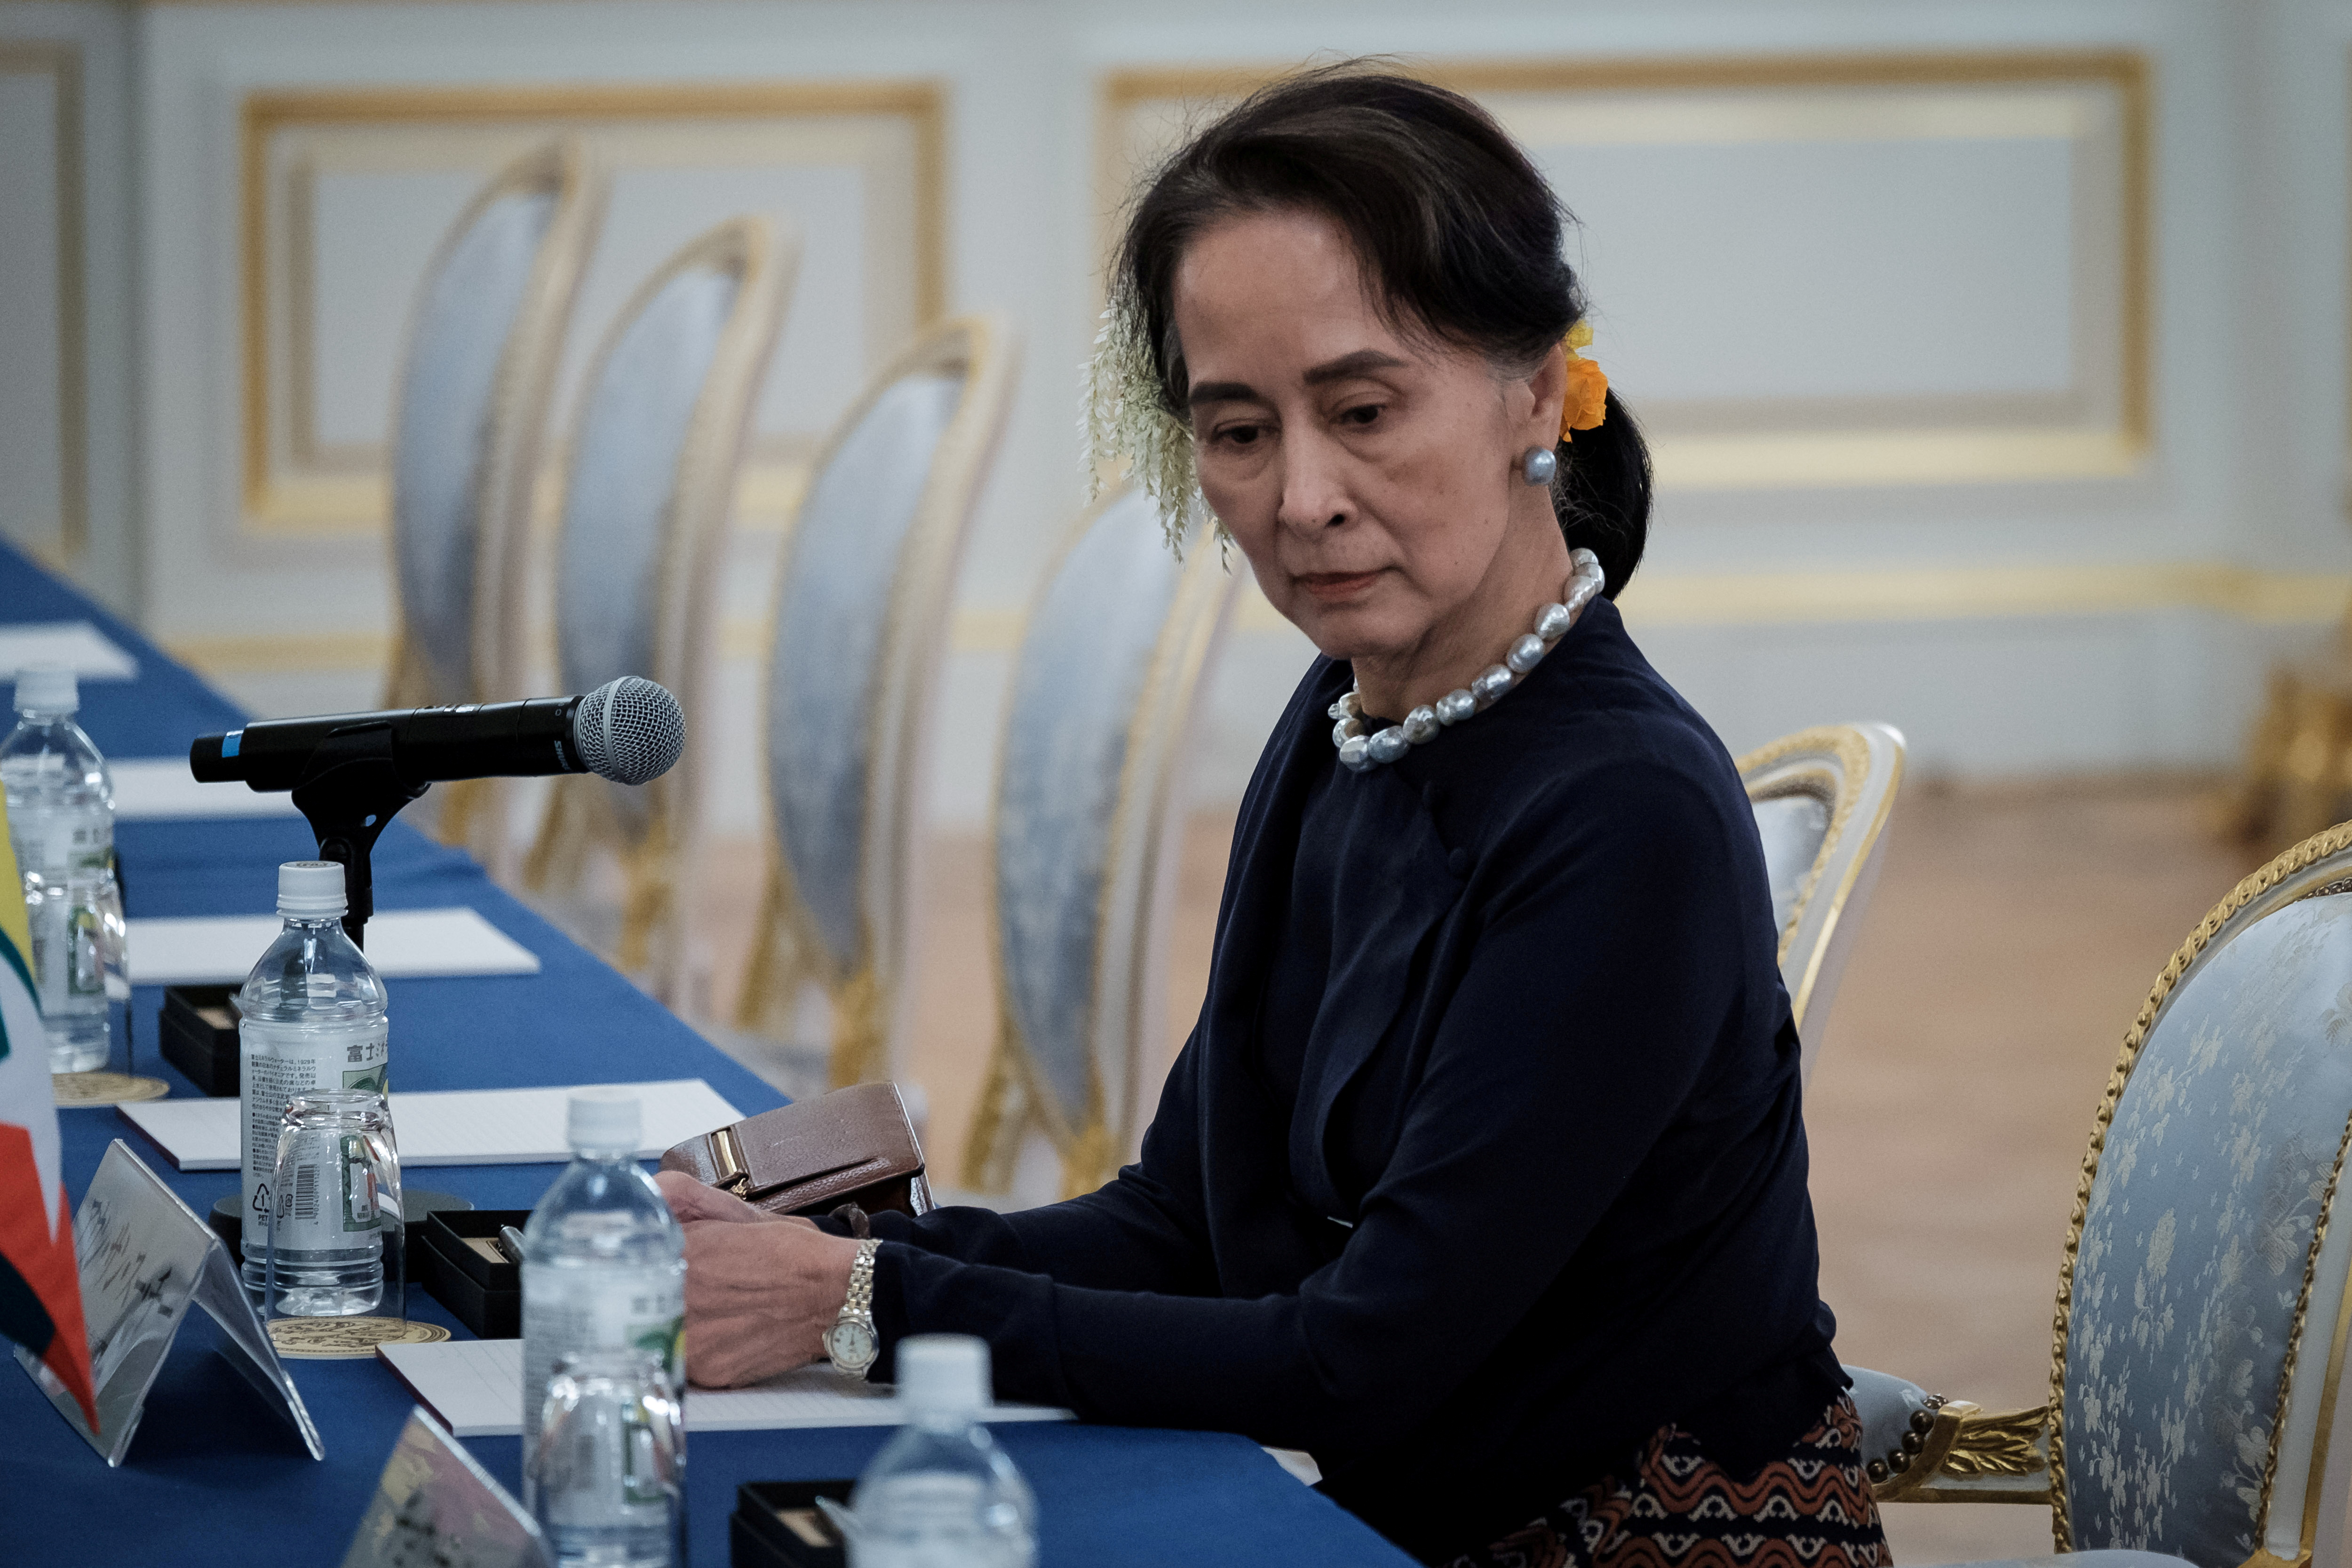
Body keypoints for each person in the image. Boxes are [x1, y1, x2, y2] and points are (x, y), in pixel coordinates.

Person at [657, 64, 1889, 1568]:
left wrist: (863, 1307)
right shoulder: (1343, 718)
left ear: (1535, 393)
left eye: (1364, 410)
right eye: (1239, 432)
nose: (1303, 497)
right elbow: (1186, 1223)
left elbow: (1363, 1358)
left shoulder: (1624, 816)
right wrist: (819, 1258)